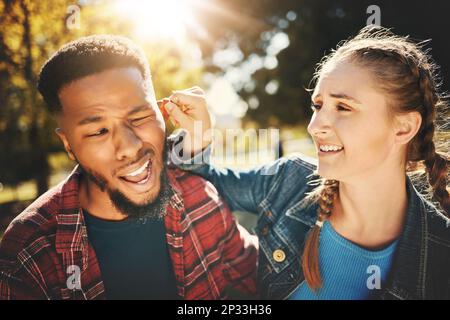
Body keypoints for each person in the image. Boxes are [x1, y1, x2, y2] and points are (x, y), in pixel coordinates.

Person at [164, 26, 450, 299]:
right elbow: (198, 180)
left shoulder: (441, 253)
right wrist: (198, 135)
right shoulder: (288, 181)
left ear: (403, 127)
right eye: (318, 105)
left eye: (343, 107)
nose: (315, 126)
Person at [0, 35, 257, 300]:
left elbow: (266, 280)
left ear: (163, 113)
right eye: (99, 130)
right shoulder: (28, 254)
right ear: (68, 144)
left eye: (139, 117)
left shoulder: (201, 198)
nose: (130, 147)